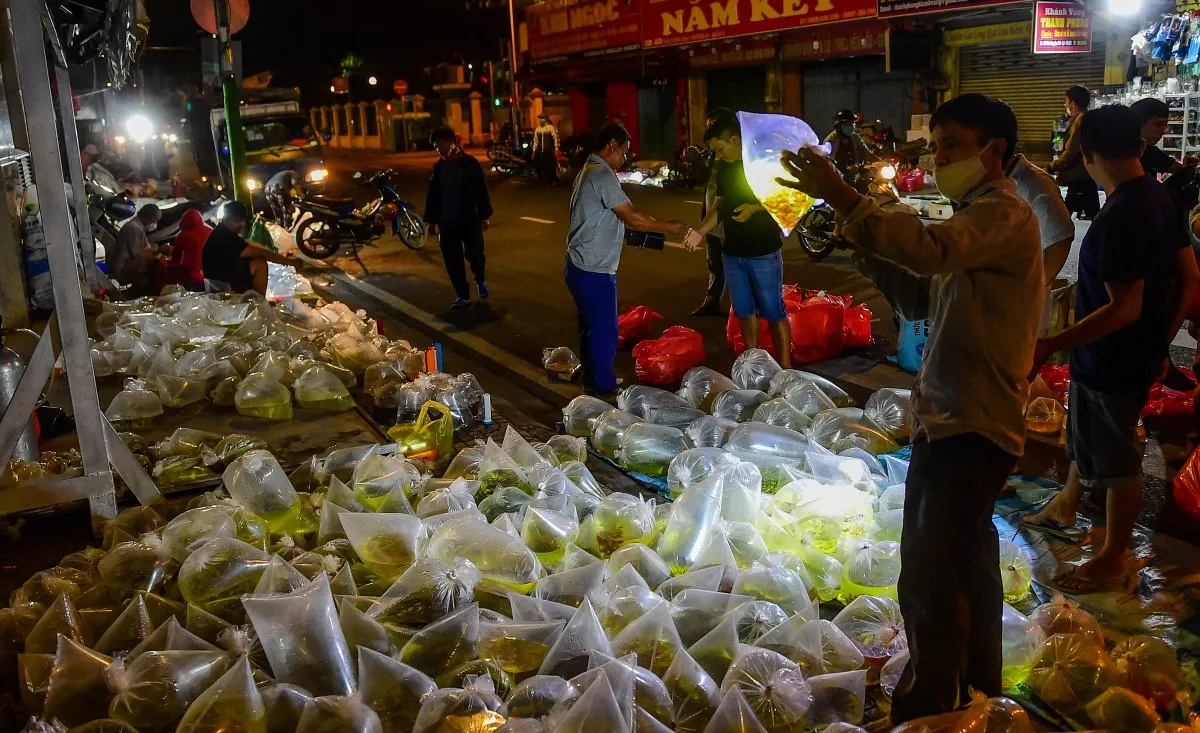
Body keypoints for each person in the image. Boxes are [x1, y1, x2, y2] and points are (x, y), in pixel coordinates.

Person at [778, 93, 1042, 721]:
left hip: (969, 424)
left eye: (952, 146)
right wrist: (860, 235)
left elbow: (929, 251)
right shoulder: (974, 215)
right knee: (967, 564)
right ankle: (974, 690)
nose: (939, 158)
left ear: (994, 152)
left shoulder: (1002, 213)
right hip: (958, 415)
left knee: (929, 578)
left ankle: (926, 709)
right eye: (937, 146)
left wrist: (848, 197)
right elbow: (923, 296)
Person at [1024, 105, 1199, 592]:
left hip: (1112, 359)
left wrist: (1053, 343)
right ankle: (1064, 505)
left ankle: (1111, 558)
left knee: (1119, 461)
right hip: (1132, 353)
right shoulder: (1160, 198)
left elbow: (1124, 307)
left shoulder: (1121, 215)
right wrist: (1161, 342)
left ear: (1086, 154)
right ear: (1141, 147)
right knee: (1088, 434)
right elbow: (1190, 279)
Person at [566, 124, 702, 397]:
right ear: (612, 145)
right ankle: (602, 386)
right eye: (624, 153)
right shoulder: (602, 175)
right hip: (594, 268)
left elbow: (602, 219)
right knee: (605, 328)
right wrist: (671, 226)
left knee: (589, 326)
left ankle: (590, 377)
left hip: (578, 263)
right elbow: (634, 217)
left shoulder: (587, 170)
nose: (624, 159)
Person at [694, 114, 793, 368]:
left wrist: (754, 208)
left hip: (763, 252)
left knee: (773, 312)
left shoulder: (763, 163)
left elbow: (784, 199)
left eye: (719, 149)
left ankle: (785, 368)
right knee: (744, 312)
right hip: (732, 253)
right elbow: (720, 204)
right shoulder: (724, 167)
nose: (717, 155)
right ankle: (755, 366)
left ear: (734, 139)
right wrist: (700, 231)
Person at [425, 127, 493, 309]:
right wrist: (432, 221)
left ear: (451, 141)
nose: (438, 148)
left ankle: (480, 280)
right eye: (435, 145)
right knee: (452, 260)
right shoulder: (439, 168)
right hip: (447, 222)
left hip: (469, 219)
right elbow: (433, 195)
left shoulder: (469, 164)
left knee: (476, 254)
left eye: (440, 143)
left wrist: (484, 215)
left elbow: (481, 190)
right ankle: (462, 295)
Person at [1006, 150, 1075, 329]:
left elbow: (1059, 238)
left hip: (1017, 306)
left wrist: (1030, 290)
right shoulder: (998, 181)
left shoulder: (1033, 183)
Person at [692, 107, 735, 317]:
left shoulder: (742, 161)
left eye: (713, 125)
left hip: (735, 224)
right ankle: (712, 300)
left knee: (737, 266)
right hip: (713, 215)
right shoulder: (716, 156)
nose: (709, 128)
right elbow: (714, 194)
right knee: (714, 262)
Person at [201, 201, 296, 295]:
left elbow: (250, 244)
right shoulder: (226, 237)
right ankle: (259, 301)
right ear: (227, 219)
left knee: (251, 261)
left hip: (215, 279)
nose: (241, 225)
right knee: (260, 263)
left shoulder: (221, 231)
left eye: (243, 221)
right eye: (237, 221)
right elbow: (259, 252)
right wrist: (289, 262)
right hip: (221, 284)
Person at [1049, 85, 1100, 220]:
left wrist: (1052, 166)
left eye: (1066, 101)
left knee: (1063, 219)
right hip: (1083, 177)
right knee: (1093, 216)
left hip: (1078, 176)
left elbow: (1071, 151)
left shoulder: (1080, 121)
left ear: (1072, 103)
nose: (1065, 104)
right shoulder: (1080, 119)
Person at [109, 203, 162, 296]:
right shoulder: (134, 228)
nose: (154, 224)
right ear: (149, 217)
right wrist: (156, 250)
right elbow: (137, 253)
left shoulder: (138, 226)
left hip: (127, 264)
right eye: (155, 220)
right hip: (123, 269)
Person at [824, 110, 876, 191]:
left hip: (856, 177)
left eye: (853, 123)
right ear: (839, 126)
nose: (851, 126)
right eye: (848, 124)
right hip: (837, 180)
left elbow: (866, 153)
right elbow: (827, 161)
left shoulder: (855, 137)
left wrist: (881, 162)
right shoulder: (830, 141)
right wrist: (843, 169)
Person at [171, 208, 211, 292]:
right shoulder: (209, 230)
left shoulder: (183, 235)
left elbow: (176, 255)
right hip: (209, 269)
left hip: (191, 271)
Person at [532, 114, 561, 186]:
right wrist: (534, 150)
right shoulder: (538, 129)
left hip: (549, 150)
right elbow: (535, 140)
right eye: (540, 119)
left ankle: (553, 180)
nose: (541, 120)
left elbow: (556, 138)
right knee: (544, 166)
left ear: (546, 119)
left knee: (551, 166)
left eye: (542, 118)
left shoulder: (551, 128)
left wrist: (556, 149)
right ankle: (546, 180)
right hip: (541, 151)